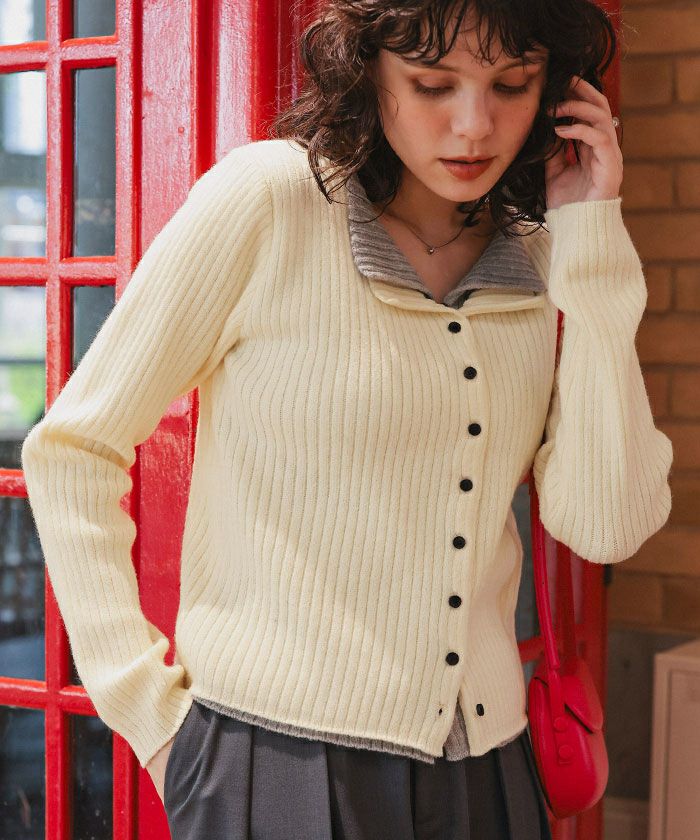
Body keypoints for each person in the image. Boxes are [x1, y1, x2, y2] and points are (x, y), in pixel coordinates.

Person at [21, 1, 673, 838]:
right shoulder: (270, 203)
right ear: (368, 70)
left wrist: (594, 241)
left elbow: (607, 525)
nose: (474, 126)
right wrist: (149, 714)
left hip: (492, 772)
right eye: (432, 85)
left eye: (512, 85)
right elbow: (73, 447)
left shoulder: (550, 254)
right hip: (277, 765)